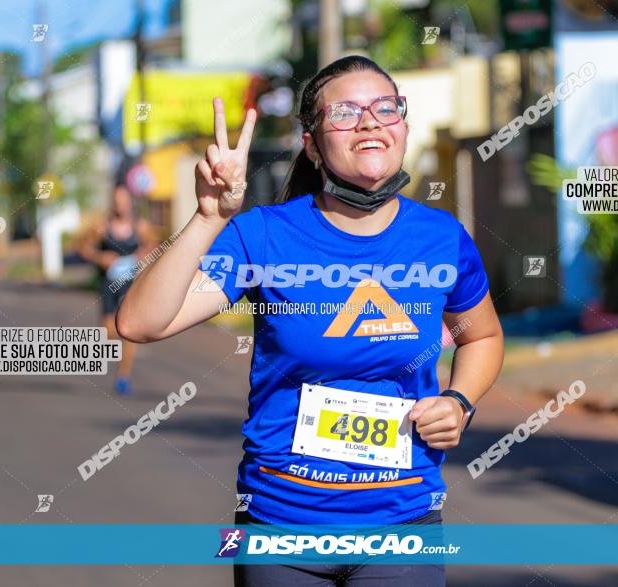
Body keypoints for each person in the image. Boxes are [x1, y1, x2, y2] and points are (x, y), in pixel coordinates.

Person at [117, 55, 504, 586]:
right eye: (344, 112)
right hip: (280, 528)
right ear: (312, 142)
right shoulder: (264, 235)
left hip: (404, 525)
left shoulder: (441, 237)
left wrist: (460, 401)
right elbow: (141, 323)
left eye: (384, 108)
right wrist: (209, 217)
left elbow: (481, 336)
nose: (369, 122)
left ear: (403, 126)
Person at [79, 184, 155, 395]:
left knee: (128, 332)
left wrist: (142, 256)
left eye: (123, 200)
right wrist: (100, 257)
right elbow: (83, 248)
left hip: (130, 284)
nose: (120, 204)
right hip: (108, 284)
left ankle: (123, 377)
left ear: (130, 202)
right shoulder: (102, 227)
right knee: (108, 332)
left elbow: (154, 246)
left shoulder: (140, 226)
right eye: (116, 200)